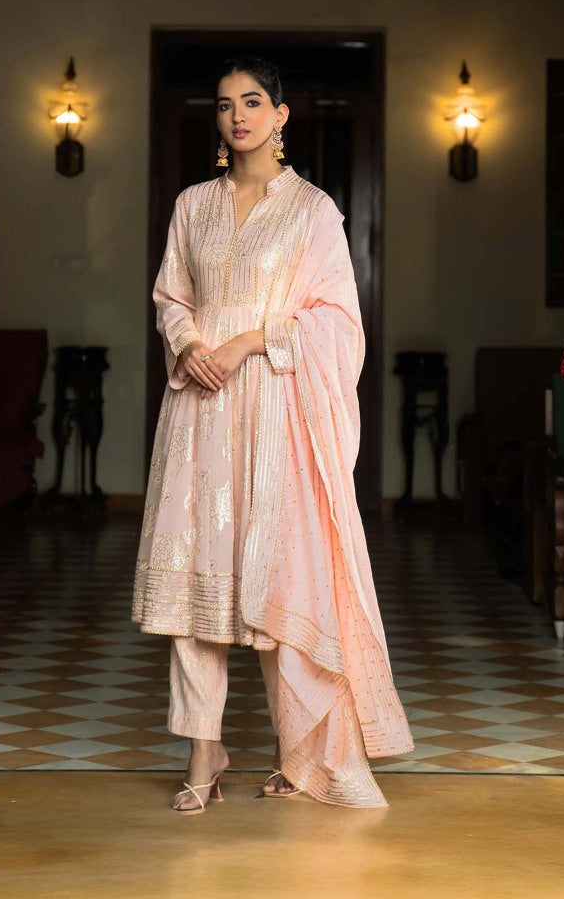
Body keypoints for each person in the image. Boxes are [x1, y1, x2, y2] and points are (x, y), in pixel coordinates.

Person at [131, 56, 414, 813]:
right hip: (200, 409)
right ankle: (204, 749)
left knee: (279, 579)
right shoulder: (193, 205)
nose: (238, 116)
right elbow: (171, 294)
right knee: (196, 584)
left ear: (281, 114)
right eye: (225, 104)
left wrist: (249, 341)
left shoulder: (313, 211)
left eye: (253, 102)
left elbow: (338, 321)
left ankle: (303, 754)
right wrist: (191, 344)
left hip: (277, 408)